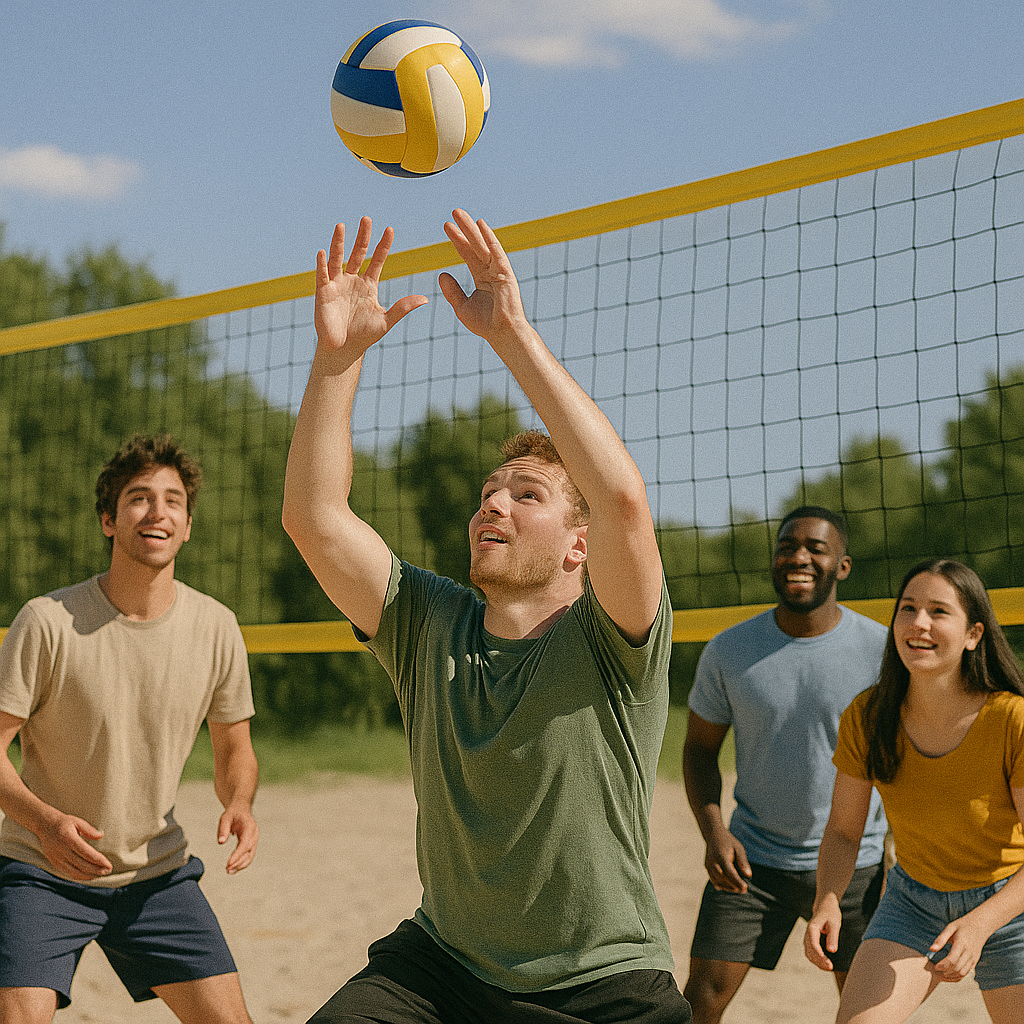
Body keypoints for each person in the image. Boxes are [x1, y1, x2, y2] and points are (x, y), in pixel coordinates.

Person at [282, 210, 690, 1024]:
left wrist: (508, 333)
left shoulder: (613, 639)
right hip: (445, 968)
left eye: (525, 494)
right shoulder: (430, 623)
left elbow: (620, 501)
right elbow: (314, 517)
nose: (492, 505)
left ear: (580, 546)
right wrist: (335, 362)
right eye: (486, 495)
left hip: (603, 985)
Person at [0, 434, 259, 1024]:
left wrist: (240, 801)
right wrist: (44, 821)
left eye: (172, 500)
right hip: (43, 870)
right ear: (109, 520)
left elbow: (234, 751)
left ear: (187, 526)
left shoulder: (217, 626)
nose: (158, 511)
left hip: (155, 875)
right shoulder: (47, 621)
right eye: (139, 498)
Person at [682, 506, 888, 1023]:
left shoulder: (884, 651)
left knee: (868, 1011)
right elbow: (699, 750)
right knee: (700, 1001)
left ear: (842, 565)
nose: (798, 557)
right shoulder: (729, 650)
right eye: (786, 546)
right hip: (753, 860)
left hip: (856, 865)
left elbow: (907, 756)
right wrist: (713, 833)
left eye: (816, 548)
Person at [804, 558, 1024, 1023]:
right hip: (912, 901)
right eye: (908, 608)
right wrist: (827, 899)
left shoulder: (1011, 719)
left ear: (973, 635)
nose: (919, 623)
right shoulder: (867, 716)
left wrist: (980, 924)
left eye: (939, 612)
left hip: (1010, 905)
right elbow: (844, 833)